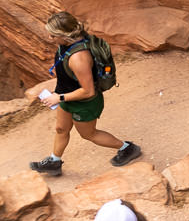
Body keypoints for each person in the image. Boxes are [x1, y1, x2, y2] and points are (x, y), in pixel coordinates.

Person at [28, 13, 140, 176]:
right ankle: (54, 162)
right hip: (66, 95)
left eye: (53, 35)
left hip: (84, 103)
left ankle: (127, 148)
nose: (50, 37)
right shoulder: (67, 44)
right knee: (61, 129)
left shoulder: (78, 58)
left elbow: (88, 91)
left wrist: (57, 98)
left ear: (64, 35)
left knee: (90, 134)